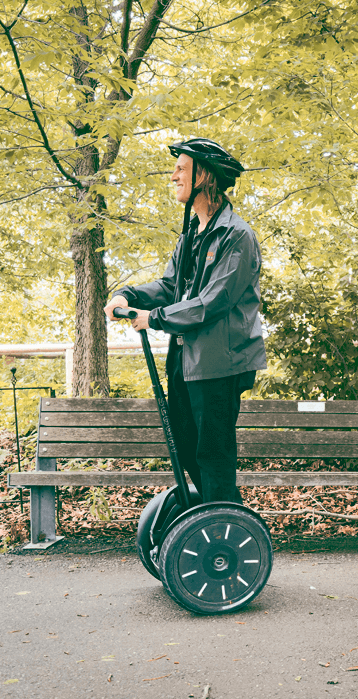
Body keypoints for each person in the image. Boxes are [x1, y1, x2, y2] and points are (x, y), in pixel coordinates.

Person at [104, 137, 267, 504]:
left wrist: (154, 318)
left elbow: (212, 302)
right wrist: (129, 295)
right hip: (185, 358)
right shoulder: (193, 233)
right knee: (187, 448)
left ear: (205, 176)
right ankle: (215, 518)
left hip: (219, 364)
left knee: (213, 455)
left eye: (182, 168)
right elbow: (170, 285)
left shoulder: (237, 236)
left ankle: (227, 533)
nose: (174, 174)